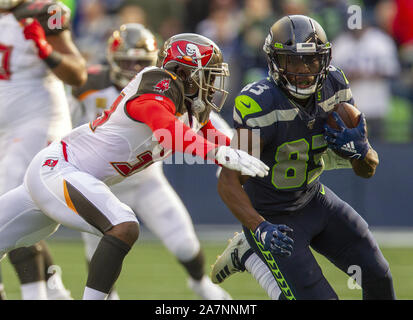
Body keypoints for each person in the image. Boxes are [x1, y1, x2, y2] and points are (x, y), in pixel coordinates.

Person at [0, 32, 269, 300]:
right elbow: (168, 131)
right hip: (58, 169)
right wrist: (219, 153)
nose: (212, 85)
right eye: (208, 76)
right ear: (185, 73)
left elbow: (222, 140)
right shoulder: (156, 83)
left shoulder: (189, 108)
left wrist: (259, 157)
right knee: (124, 224)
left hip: (65, 175)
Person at [211, 15, 395, 300]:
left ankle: (249, 253)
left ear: (325, 60)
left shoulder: (335, 84)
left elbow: (367, 169)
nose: (304, 70)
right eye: (292, 61)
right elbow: (228, 182)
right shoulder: (260, 103)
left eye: (311, 61)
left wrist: (359, 151)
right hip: (273, 216)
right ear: (274, 62)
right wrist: (259, 227)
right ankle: (251, 250)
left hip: (313, 199)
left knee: (378, 275)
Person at [72, 23, 233, 300]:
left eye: (141, 62)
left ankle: (200, 283)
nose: (135, 68)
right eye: (128, 61)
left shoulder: (172, 90)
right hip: (98, 180)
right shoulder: (89, 85)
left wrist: (232, 146)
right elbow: (65, 119)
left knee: (184, 243)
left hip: (145, 180)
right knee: (97, 251)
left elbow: (206, 122)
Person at [0, 0, 87, 299]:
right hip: (4, 129)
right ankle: (53, 289)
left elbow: (78, 74)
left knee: (10, 206)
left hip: (37, 122)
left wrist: (45, 50)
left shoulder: (43, 11)